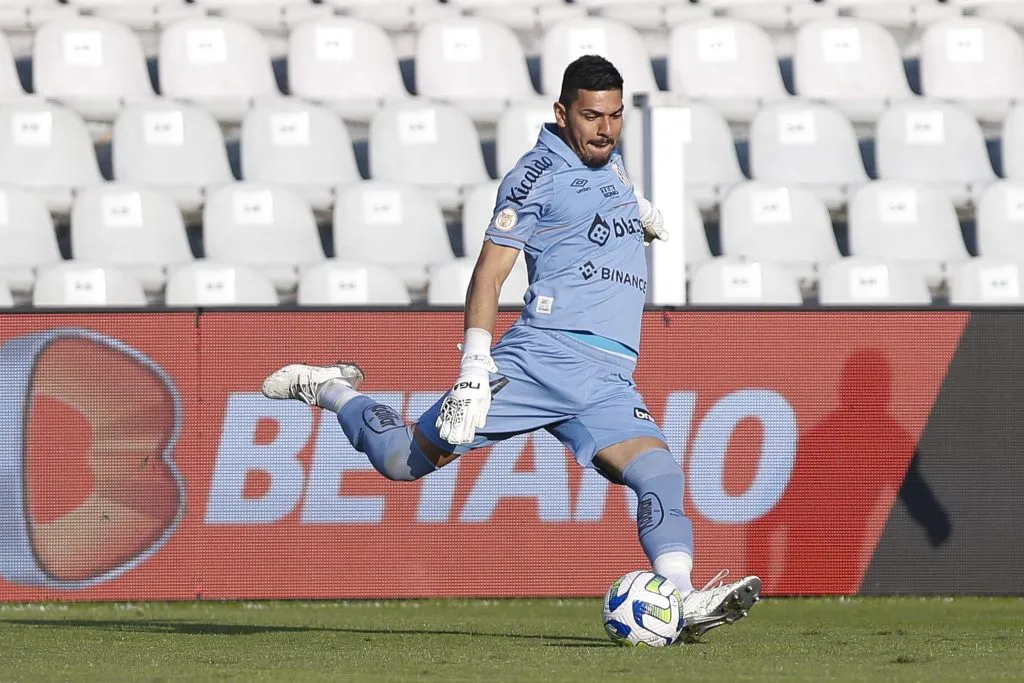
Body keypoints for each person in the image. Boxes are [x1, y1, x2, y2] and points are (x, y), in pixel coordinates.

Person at [261, 55, 760, 641]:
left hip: (608, 375)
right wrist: (474, 367)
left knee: (659, 475)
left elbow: (606, 192)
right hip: (542, 359)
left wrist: (636, 210)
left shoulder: (611, 162)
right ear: (561, 112)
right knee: (402, 461)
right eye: (592, 116)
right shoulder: (533, 176)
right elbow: (488, 277)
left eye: (615, 115)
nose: (605, 128)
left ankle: (678, 602)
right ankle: (330, 388)